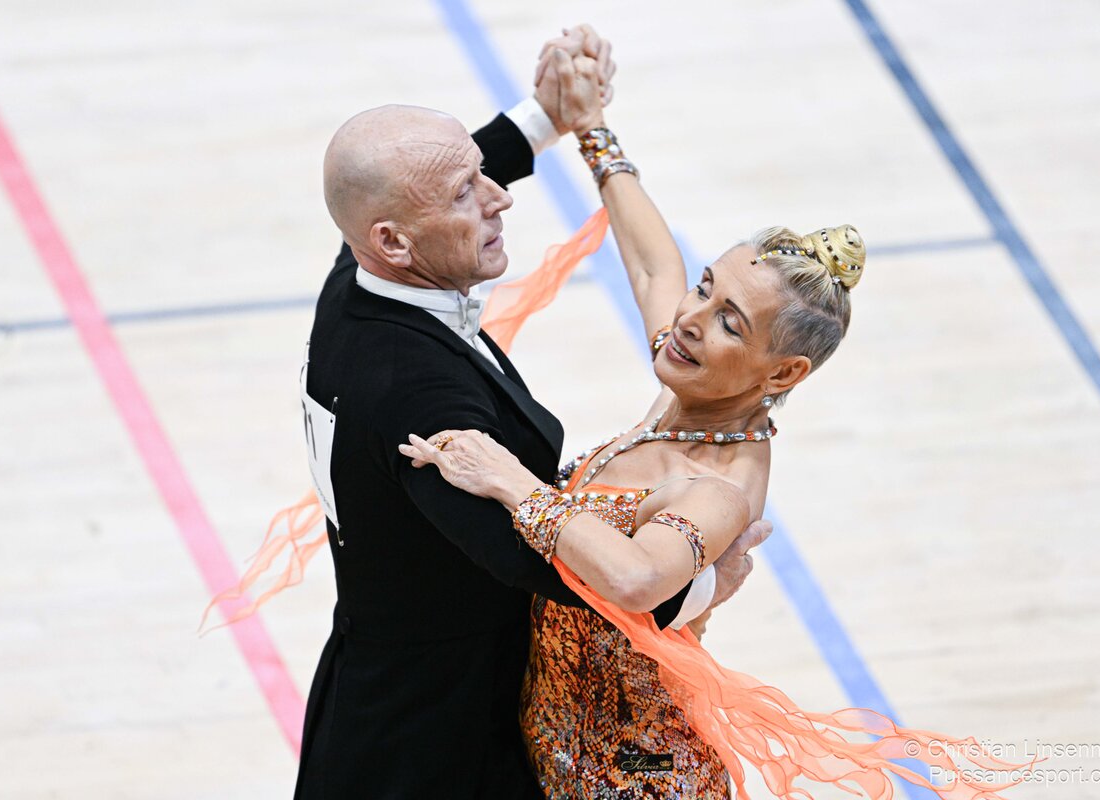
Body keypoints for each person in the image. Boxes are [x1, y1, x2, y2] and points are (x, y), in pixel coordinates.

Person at [400, 50, 1033, 800]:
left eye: (730, 321)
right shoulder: (692, 391)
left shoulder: (718, 485)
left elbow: (635, 579)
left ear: (783, 374)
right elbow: (650, 265)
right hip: (552, 744)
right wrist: (591, 127)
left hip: (633, 776)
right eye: (706, 288)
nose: (690, 320)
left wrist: (514, 484)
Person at [282, 27, 768, 800]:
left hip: (393, 683)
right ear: (393, 242)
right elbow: (532, 556)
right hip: (436, 738)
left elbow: (423, 180)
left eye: (483, 174)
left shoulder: (359, 283)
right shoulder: (421, 402)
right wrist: (699, 586)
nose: (498, 196)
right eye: (465, 194)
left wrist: (545, 116)